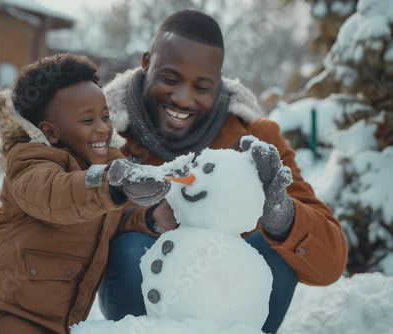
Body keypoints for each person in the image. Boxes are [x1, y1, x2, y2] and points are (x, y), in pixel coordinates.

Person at [98, 10, 348, 333]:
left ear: (217, 83)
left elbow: (331, 265)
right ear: (146, 63)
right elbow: (77, 230)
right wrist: (144, 218)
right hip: (144, 304)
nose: (182, 98)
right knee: (131, 247)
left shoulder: (256, 140)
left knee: (276, 246)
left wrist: (283, 218)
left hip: (231, 305)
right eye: (170, 79)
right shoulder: (106, 135)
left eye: (201, 87)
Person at [0, 53, 172, 334]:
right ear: (50, 132)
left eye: (105, 116)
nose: (103, 128)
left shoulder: (108, 166)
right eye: (87, 120)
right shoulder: (29, 162)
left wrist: (149, 217)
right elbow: (55, 196)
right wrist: (111, 185)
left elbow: (117, 216)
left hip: (63, 315)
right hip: (10, 307)